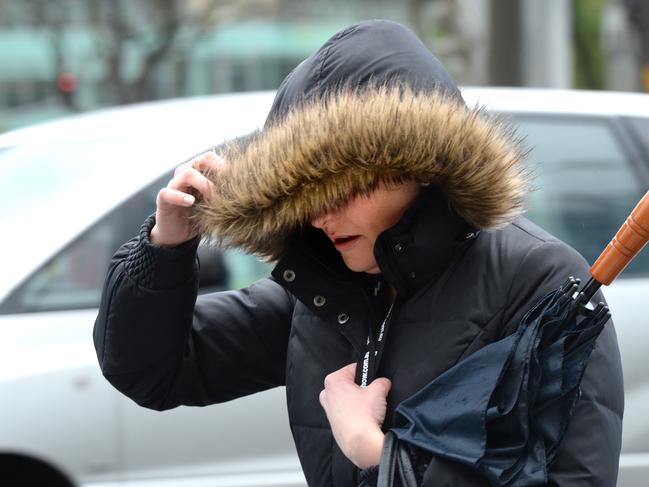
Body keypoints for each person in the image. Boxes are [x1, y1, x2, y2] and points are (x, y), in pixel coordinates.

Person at [94, 20, 623, 486]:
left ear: (418, 164)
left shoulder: (537, 278)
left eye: (343, 189)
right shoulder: (324, 289)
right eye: (302, 198)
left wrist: (373, 449)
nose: (321, 218)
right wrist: (166, 247)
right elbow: (153, 369)